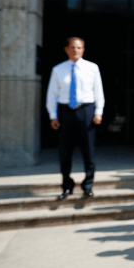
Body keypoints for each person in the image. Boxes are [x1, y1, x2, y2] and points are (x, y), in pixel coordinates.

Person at [46, 37, 105, 200]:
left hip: (86, 110)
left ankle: (88, 185)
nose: (75, 50)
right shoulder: (58, 69)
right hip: (65, 112)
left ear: (83, 49)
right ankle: (66, 186)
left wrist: (98, 112)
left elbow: (99, 92)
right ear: (66, 50)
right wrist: (53, 116)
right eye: (72, 47)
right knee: (65, 151)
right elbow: (51, 95)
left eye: (79, 48)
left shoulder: (92, 68)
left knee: (89, 151)